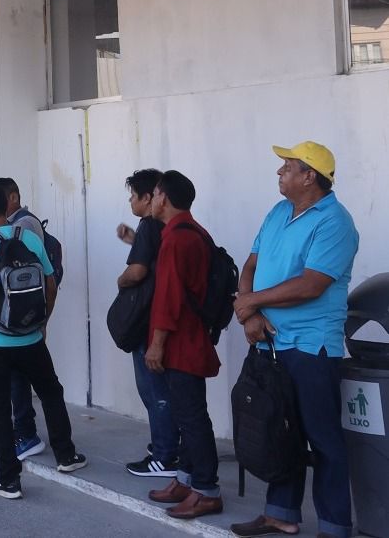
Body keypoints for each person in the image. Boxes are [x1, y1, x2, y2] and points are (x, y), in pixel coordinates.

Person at [230, 142, 359, 538]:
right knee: (278, 431)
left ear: (310, 177)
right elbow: (251, 262)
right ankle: (280, 513)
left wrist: (251, 301)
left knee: (322, 439)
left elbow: (311, 285)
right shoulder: (278, 211)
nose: (279, 172)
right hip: (272, 343)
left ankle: (335, 527)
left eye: (288, 167)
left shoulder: (335, 222)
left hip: (311, 346)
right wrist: (250, 313)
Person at [0, 180, 86, 500]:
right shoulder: (30, 237)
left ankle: (9, 480)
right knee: (51, 392)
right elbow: (50, 284)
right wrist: (43, 322)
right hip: (29, 337)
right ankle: (66, 455)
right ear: (7, 206)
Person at [144, 171, 223, 521]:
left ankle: (206, 490)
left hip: (182, 342)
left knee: (191, 418)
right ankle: (186, 479)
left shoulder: (177, 238)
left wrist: (156, 345)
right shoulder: (190, 232)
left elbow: (169, 297)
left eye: (155, 193)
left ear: (163, 197)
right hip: (192, 337)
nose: (151, 199)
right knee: (186, 412)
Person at [114, 167, 179, 477]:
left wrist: (121, 280)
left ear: (148, 197)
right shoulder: (160, 227)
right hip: (160, 319)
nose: (131, 201)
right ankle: (167, 445)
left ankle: (165, 454)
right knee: (159, 390)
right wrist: (133, 241)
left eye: (133, 195)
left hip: (148, 322)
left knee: (154, 391)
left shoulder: (149, 225)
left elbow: (138, 272)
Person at [0, 176, 49, 462]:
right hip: (22, 314)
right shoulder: (16, 224)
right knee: (24, 376)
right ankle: (26, 431)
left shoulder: (24, 225)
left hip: (24, 315)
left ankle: (27, 432)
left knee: (23, 377)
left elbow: (36, 273)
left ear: (13, 198)